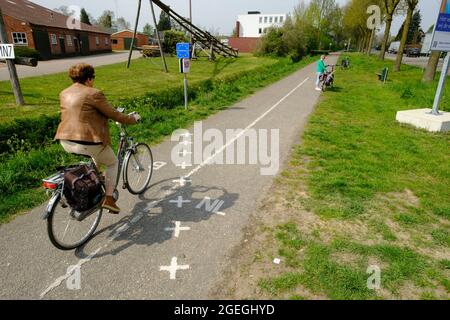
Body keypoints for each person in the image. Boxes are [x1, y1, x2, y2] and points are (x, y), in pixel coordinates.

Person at [55, 63, 141, 214]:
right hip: (86, 142)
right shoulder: (93, 93)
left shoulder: (64, 93)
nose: (93, 80)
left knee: (98, 156)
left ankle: (95, 180)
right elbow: (114, 114)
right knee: (113, 162)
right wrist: (132, 119)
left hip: (65, 140)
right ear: (89, 78)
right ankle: (108, 198)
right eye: (93, 77)